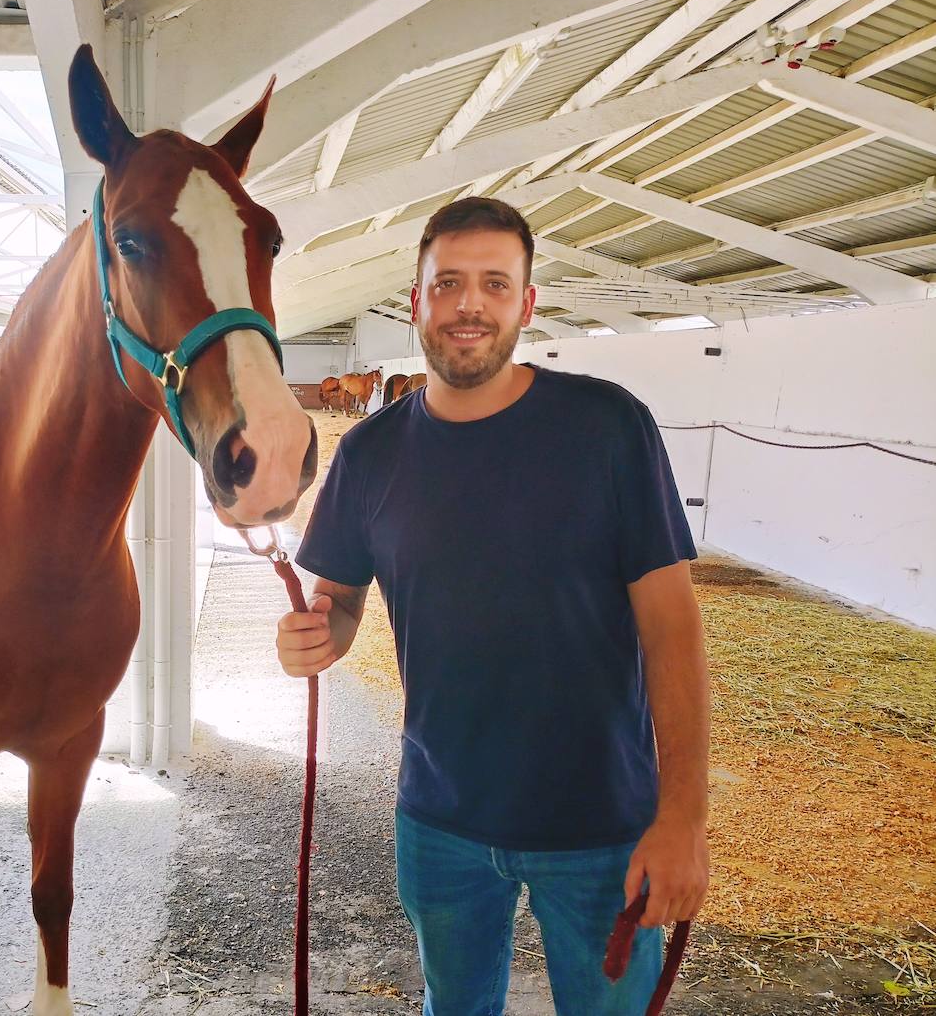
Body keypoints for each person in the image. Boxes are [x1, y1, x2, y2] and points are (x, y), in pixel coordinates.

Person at [276, 197, 710, 1016]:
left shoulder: (608, 427)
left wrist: (683, 815)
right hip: (441, 822)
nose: (468, 304)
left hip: (601, 825)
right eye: (447, 284)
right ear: (415, 303)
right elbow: (336, 603)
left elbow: (672, 627)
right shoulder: (369, 453)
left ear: (525, 303)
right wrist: (311, 636)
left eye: (493, 284)